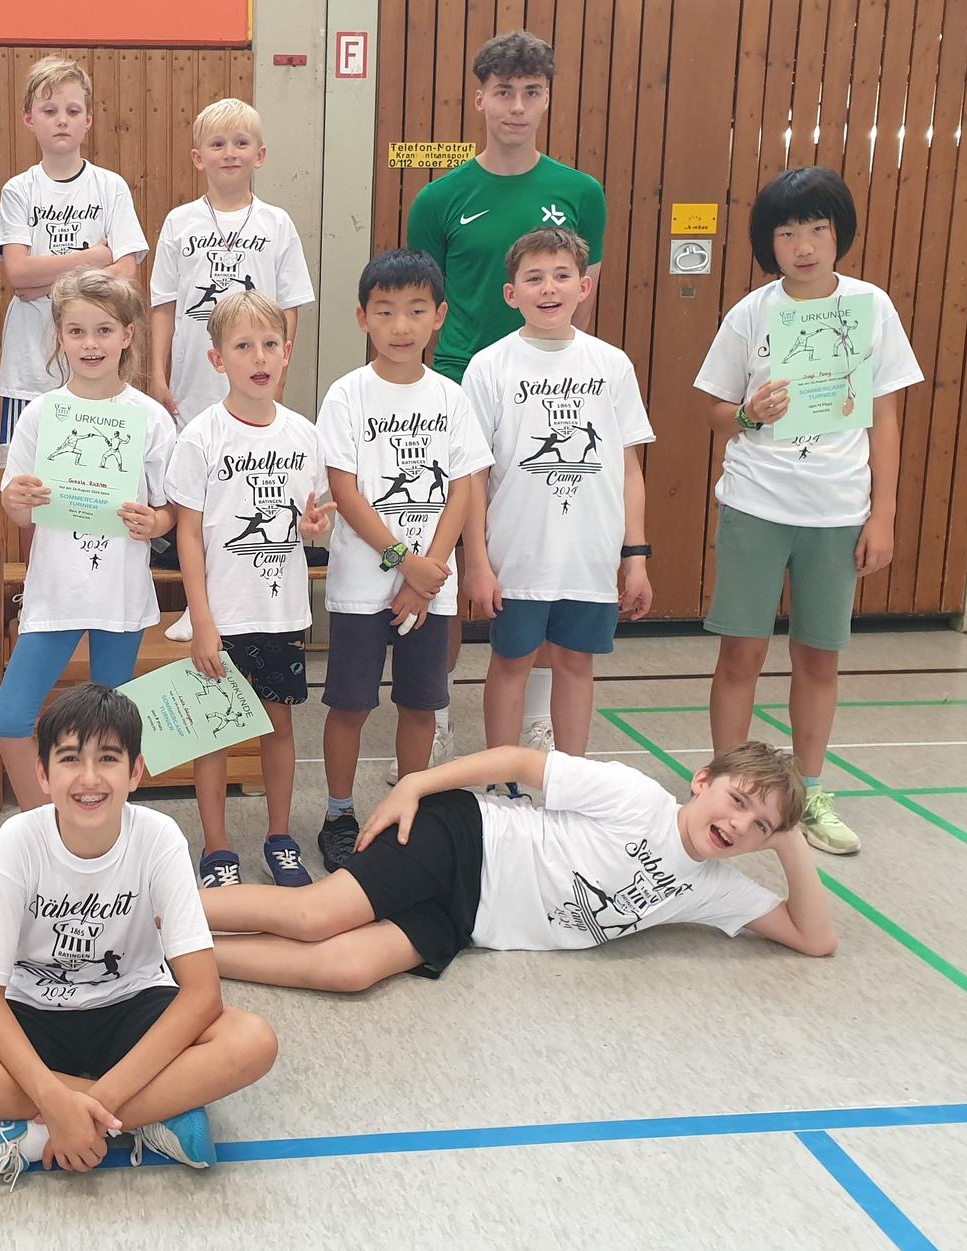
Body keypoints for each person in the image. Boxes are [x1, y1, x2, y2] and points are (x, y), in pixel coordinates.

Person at [0, 684, 277, 1185]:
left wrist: (97, 1102)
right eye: (70, 759)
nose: (89, 778)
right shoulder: (19, 840)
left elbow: (202, 994)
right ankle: (152, 1113)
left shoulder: (158, 838)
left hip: (134, 1008)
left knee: (252, 1040)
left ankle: (29, 1136)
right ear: (43, 775)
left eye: (108, 759)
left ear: (135, 771)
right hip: (33, 1013)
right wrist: (55, 1099)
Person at [202, 741, 837, 992]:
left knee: (347, 969)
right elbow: (521, 762)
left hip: (470, 919)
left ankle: (172, 952)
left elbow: (814, 939)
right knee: (314, 917)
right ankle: (153, 907)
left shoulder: (713, 890)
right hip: (464, 838)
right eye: (737, 802)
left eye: (760, 827)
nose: (739, 825)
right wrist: (415, 785)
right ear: (703, 782)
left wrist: (790, 843)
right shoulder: (636, 797)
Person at [693, 166, 923, 856]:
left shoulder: (871, 307)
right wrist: (744, 412)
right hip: (756, 502)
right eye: (787, 231)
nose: (803, 245)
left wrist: (881, 514)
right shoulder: (751, 313)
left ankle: (810, 789)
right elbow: (711, 407)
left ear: (837, 235)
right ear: (769, 241)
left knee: (818, 657)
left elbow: (885, 417)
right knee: (741, 652)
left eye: (817, 229)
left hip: (836, 508)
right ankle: (727, 786)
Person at [404, 30, 609, 768]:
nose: (514, 107)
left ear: (545, 98)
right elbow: (416, 305)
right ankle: (437, 709)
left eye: (529, 93)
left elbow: (579, 294)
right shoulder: (440, 197)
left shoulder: (580, 194)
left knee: (539, 558)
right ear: (479, 97)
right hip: (460, 388)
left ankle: (539, 725)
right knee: (454, 563)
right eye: (501, 92)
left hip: (544, 399)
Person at [315, 250, 492, 874]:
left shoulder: (450, 397)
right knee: (351, 704)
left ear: (439, 316)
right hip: (363, 588)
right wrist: (401, 559)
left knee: (421, 704)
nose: (401, 325)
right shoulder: (346, 395)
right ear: (363, 317)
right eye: (385, 311)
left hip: (430, 591)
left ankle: (405, 807)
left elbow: (464, 485)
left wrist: (430, 571)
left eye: (416, 310)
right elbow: (344, 489)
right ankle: (339, 812)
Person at [462, 229, 653, 761]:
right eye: (534, 278)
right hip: (518, 555)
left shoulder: (611, 365)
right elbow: (472, 477)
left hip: (588, 556)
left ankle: (572, 783)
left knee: (575, 664)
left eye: (562, 275)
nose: (549, 288)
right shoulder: (489, 366)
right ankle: (498, 785)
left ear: (584, 286)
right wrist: (477, 561)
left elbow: (628, 468)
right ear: (511, 293)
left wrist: (635, 557)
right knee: (511, 664)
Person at [0, 271, 177, 808]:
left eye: (102, 330)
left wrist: (156, 523)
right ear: (59, 338)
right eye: (76, 332)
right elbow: (18, 514)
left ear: (127, 334)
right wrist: (16, 500)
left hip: (120, 598)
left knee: (112, 737)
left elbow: (171, 509)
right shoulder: (41, 416)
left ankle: (103, 829)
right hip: (56, 595)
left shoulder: (151, 418)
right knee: (9, 721)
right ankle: (45, 824)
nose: (90, 344)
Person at [169, 290, 334, 888]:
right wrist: (202, 619)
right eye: (242, 346)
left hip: (282, 610)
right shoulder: (201, 437)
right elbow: (188, 536)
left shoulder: (304, 435)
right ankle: (217, 848)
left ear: (287, 353)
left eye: (269, 344)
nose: (258, 357)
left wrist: (318, 527)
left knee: (278, 726)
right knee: (215, 734)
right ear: (217, 360)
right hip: (224, 614)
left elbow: (315, 518)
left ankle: (280, 836)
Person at [0, 56, 146, 469]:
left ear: (88, 121)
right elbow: (18, 274)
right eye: (49, 110)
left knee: (93, 477)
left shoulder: (109, 187)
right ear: (29, 119)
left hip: (95, 362)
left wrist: (44, 282)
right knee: (27, 487)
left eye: (72, 111)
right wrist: (96, 258)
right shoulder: (18, 190)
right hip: (27, 367)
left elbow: (127, 271)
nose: (62, 120)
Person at [148, 97, 314, 430]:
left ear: (260, 155)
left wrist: (280, 372)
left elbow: (289, 306)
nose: (230, 153)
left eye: (241, 142)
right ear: (198, 158)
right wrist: (156, 372)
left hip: (257, 372)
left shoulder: (277, 223)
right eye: (217, 144)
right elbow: (164, 304)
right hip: (192, 380)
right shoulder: (179, 222)